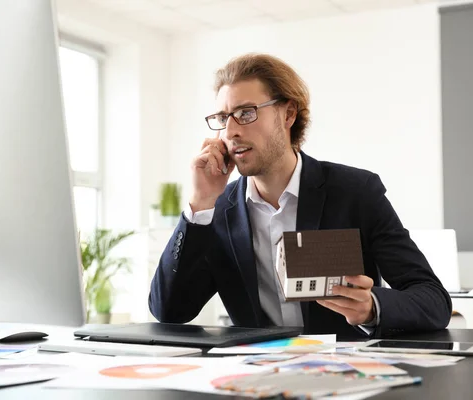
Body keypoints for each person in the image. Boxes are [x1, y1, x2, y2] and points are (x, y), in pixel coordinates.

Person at [149, 53, 452, 339]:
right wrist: (200, 205)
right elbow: (170, 311)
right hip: (257, 375)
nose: (230, 132)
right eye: (223, 117)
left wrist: (372, 306)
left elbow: (433, 299)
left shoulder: (355, 192)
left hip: (342, 373)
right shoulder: (218, 210)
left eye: (245, 113)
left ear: (288, 113)